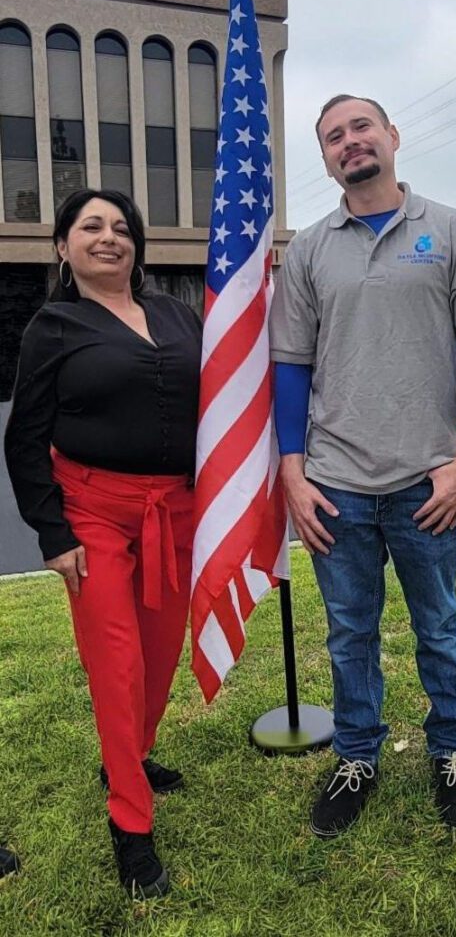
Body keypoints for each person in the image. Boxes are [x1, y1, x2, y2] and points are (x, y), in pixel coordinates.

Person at [270, 95, 456, 840]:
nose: (348, 142)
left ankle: (452, 752)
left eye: (359, 127)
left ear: (391, 137)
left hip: (426, 481)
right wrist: (292, 473)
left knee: (438, 624)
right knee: (348, 634)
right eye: (333, 136)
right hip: (335, 483)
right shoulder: (308, 248)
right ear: (327, 156)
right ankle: (357, 756)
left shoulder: (452, 230)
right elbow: (290, 367)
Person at [5, 189, 202, 898]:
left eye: (122, 228)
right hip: (93, 513)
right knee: (116, 664)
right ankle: (131, 825)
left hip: (177, 511)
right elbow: (24, 435)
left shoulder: (180, 316)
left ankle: (131, 755)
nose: (109, 237)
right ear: (63, 248)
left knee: (158, 655)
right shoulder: (52, 327)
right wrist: (52, 533)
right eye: (91, 227)